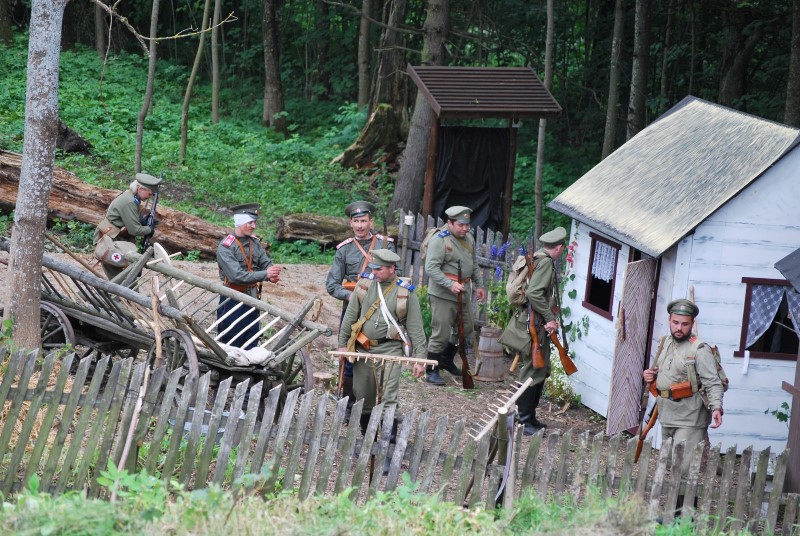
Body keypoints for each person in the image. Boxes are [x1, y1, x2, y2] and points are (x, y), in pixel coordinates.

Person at [337, 249, 426, 436]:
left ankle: (388, 438)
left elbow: (416, 327)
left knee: (388, 394)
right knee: (362, 394)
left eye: (379, 269)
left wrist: (420, 358)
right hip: (363, 347)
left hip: (390, 349)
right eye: (373, 268)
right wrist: (342, 344)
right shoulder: (364, 285)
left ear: (392, 268)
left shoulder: (405, 292)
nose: (374, 272)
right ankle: (367, 435)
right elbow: (350, 316)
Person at [326, 201, 395, 412]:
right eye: (356, 221)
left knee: (380, 353)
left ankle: (377, 403)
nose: (360, 226)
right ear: (350, 223)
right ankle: (348, 405)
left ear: (371, 221)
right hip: (353, 310)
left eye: (363, 221)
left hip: (379, 309)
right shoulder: (344, 250)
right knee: (349, 355)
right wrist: (351, 297)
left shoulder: (385, 245)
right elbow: (331, 285)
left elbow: (394, 276)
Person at [642, 299, 723, 475]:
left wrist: (716, 407)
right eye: (675, 322)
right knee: (669, 465)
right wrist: (651, 375)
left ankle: (684, 503)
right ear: (669, 320)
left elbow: (713, 382)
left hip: (690, 417)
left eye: (685, 324)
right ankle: (678, 503)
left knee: (682, 470)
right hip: (667, 414)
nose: (679, 328)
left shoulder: (699, 349)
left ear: (692, 323)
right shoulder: (665, 342)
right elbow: (667, 372)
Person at [500, 226, 567, 434]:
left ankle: (530, 417)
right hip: (535, 323)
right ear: (559, 248)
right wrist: (550, 318)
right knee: (533, 370)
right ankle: (523, 420)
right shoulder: (545, 262)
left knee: (540, 369)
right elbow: (535, 294)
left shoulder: (537, 258)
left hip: (533, 321)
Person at [423, 206, 485, 385]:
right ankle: (431, 369)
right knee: (440, 333)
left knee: (465, 329)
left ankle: (446, 360)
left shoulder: (469, 238)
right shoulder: (439, 240)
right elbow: (430, 268)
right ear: (449, 223)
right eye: (460, 225)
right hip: (442, 294)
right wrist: (450, 284)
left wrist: (479, 285)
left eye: (467, 224)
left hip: (463, 291)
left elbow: (473, 263)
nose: (465, 228)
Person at [216, 203, 281, 349]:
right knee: (231, 342)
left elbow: (265, 262)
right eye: (250, 222)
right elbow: (236, 276)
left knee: (251, 338)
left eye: (255, 222)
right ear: (240, 222)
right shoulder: (226, 246)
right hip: (232, 298)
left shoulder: (254, 243)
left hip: (252, 297)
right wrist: (266, 274)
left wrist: (272, 273)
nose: (254, 226)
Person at [93, 173, 162, 279]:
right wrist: (149, 229)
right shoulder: (130, 202)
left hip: (114, 236)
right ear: (140, 189)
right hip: (110, 241)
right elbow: (135, 230)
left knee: (123, 274)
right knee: (122, 276)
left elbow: (127, 221)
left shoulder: (131, 196)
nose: (150, 196)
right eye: (150, 193)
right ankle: (128, 294)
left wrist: (140, 221)